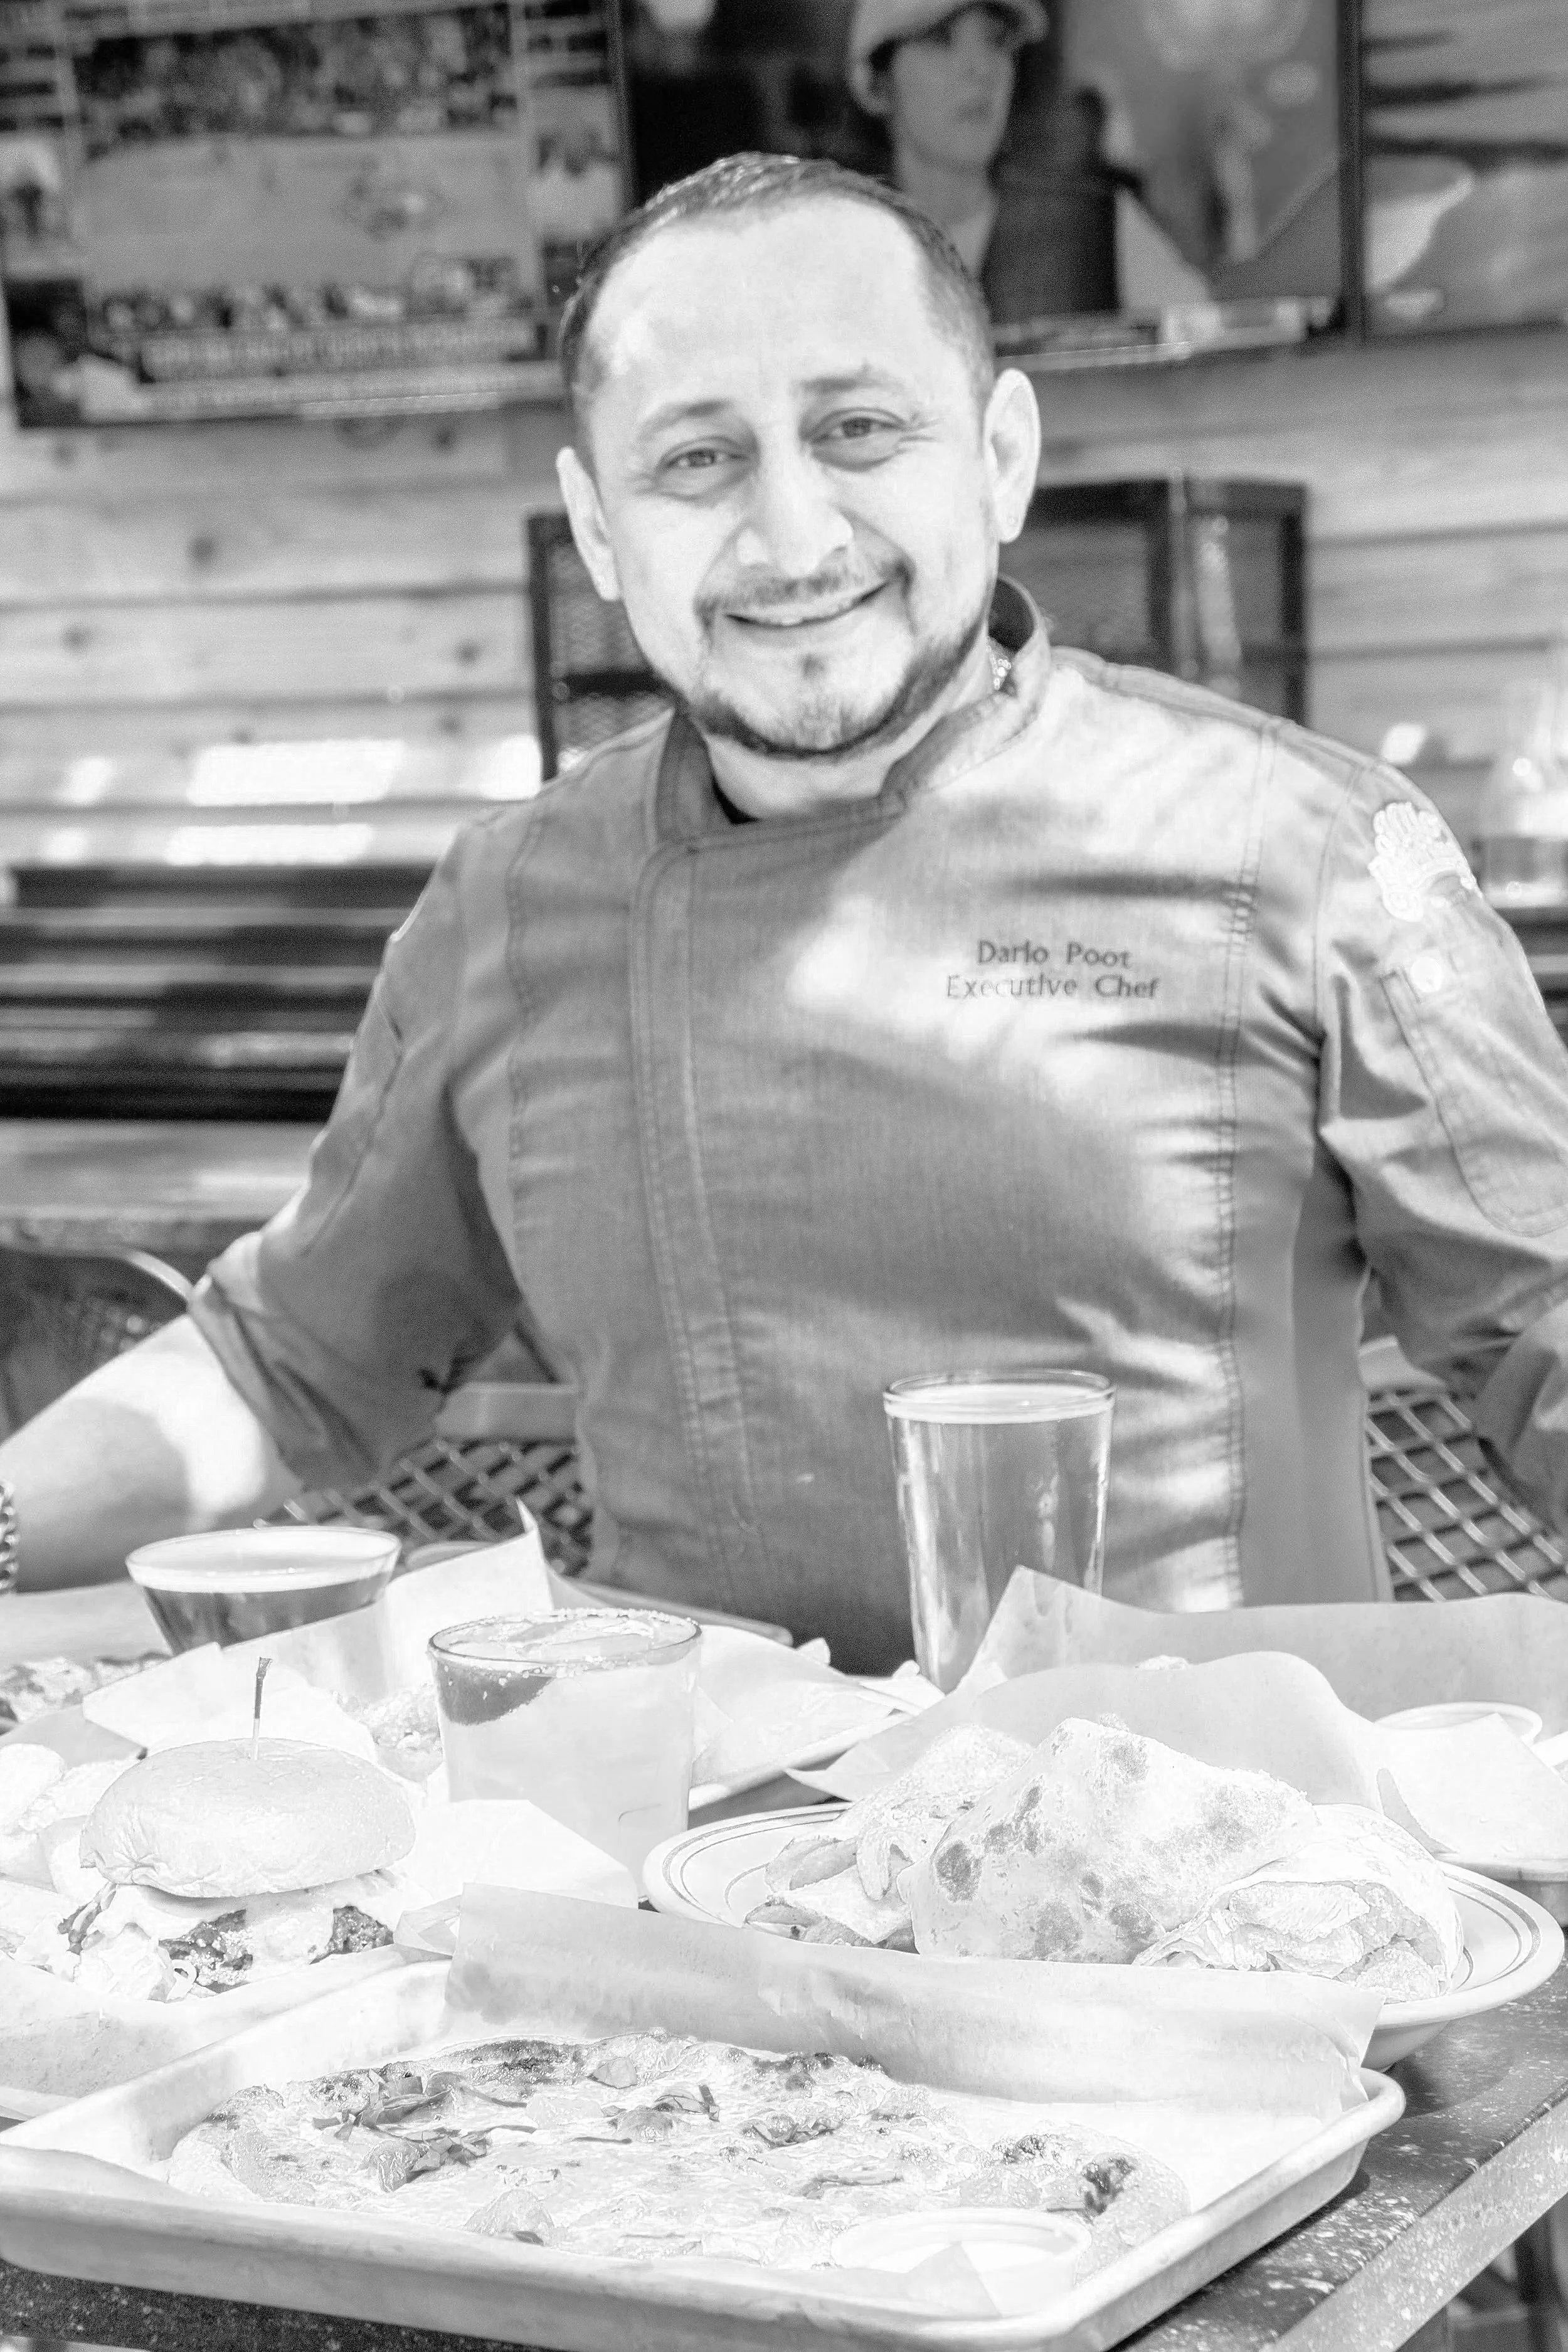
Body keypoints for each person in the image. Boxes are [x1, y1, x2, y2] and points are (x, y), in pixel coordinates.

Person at [6, 153, 1568, 1673]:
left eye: (862, 427)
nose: (796, 536)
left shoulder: (1304, 845)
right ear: (602, 527)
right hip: (684, 1882)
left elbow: (1545, 1330)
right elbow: (283, 1360)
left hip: (1216, 1870)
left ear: (1001, 454)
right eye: (697, 457)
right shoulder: (509, 902)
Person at [842, 0, 1207, 325]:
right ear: (877, 82)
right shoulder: (836, 250)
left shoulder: (1097, 227)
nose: (981, 68)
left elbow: (1217, 374)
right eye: (939, 39)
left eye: (997, 41)